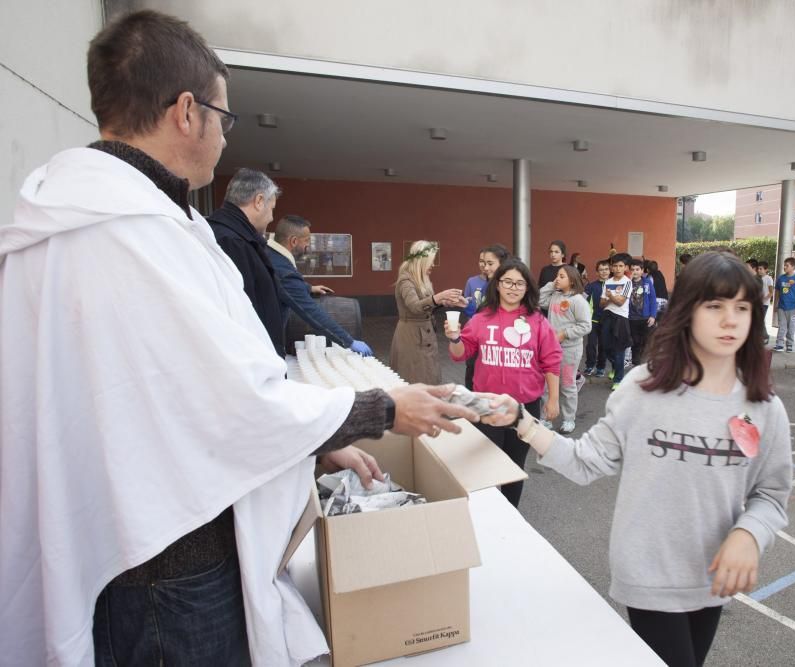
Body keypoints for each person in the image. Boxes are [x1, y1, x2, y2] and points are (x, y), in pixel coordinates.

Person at [0, 11, 496, 665]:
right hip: (171, 578)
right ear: (186, 111)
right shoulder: (138, 237)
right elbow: (231, 403)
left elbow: (157, 417)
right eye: (223, 117)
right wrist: (384, 409)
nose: (224, 135)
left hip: (118, 553)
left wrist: (308, 452)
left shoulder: (66, 226)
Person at [504, 251, 792, 667]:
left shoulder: (763, 406)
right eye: (715, 306)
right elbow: (587, 462)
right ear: (687, 312)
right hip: (648, 573)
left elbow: (772, 493)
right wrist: (524, 423)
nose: (731, 319)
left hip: (712, 577)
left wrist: (749, 535)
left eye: (742, 307)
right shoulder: (643, 388)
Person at [444, 258, 562, 507]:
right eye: (507, 281)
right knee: (483, 465)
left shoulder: (537, 321)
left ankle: (510, 515)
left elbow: (551, 361)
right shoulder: (481, 318)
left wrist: (553, 399)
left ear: (527, 288)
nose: (513, 287)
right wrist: (455, 338)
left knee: (514, 466)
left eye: (520, 283)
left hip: (524, 407)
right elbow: (460, 354)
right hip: (486, 405)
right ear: (497, 285)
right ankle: (486, 514)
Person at [267, 214, 374, 356]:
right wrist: (349, 342)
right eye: (307, 241)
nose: (308, 246)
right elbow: (311, 312)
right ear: (293, 241)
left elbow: (283, 285)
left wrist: (307, 288)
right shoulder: (283, 269)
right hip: (267, 341)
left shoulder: (269, 254)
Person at [207, 168, 285, 357]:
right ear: (259, 201)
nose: (272, 217)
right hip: (252, 358)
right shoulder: (232, 242)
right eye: (272, 208)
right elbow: (243, 311)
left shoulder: (235, 236)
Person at [390, 240, 466, 383]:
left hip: (425, 335)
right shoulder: (406, 281)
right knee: (413, 379)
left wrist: (445, 302)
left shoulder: (423, 278)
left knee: (429, 375)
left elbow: (428, 305)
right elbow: (415, 306)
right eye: (430, 261)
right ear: (421, 261)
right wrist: (438, 297)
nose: (433, 265)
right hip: (411, 337)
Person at [539, 265, 592, 433]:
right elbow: (539, 300)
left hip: (570, 350)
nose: (557, 279)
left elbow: (586, 326)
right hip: (549, 350)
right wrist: (550, 285)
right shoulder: (554, 296)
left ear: (572, 280)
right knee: (546, 385)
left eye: (561, 276)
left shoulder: (578, 301)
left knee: (567, 385)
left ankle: (569, 419)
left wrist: (564, 334)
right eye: (557, 276)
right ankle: (545, 417)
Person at [461, 244, 509, 389]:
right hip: (483, 340)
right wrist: (465, 305)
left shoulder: (507, 287)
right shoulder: (486, 285)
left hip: (499, 343)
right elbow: (478, 313)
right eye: (483, 263)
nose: (485, 268)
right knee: (473, 374)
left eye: (490, 263)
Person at [600, 252, 633, 390]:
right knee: (606, 347)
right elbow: (601, 303)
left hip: (621, 318)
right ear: (612, 267)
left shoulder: (627, 282)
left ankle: (618, 379)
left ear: (625, 267)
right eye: (615, 266)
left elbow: (620, 303)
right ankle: (615, 367)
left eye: (621, 266)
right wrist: (610, 298)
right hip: (607, 316)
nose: (618, 268)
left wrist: (610, 297)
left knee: (619, 350)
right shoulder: (607, 282)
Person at [627, 257, 658, 367]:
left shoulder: (647, 282)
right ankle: (635, 362)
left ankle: (644, 361)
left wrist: (653, 316)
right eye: (632, 269)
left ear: (642, 270)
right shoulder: (627, 283)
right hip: (632, 318)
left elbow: (653, 300)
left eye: (637, 269)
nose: (634, 272)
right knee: (635, 341)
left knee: (646, 341)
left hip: (645, 317)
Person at [583, 259, 611, 377]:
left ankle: (601, 367)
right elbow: (582, 300)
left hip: (608, 320)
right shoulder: (591, 286)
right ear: (597, 272)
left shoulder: (614, 285)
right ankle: (590, 366)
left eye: (606, 269)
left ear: (610, 271)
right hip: (593, 320)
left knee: (604, 345)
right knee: (591, 345)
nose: (604, 272)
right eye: (601, 270)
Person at [774, 256, 795, 352]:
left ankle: (789, 345)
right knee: (782, 326)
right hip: (782, 307)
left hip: (793, 308)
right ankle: (779, 344)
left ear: (793, 267)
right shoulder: (781, 278)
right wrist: (776, 304)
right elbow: (777, 292)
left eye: (787, 265)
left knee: (791, 327)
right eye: (784, 265)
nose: (784, 267)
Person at [538, 239, 567, 308]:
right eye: (551, 252)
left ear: (563, 254)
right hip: (545, 308)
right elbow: (540, 289)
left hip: (562, 308)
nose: (553, 254)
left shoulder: (568, 270)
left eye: (556, 252)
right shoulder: (545, 270)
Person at [757, 260, 774, 346]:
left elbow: (771, 292)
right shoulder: (758, 278)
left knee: (760, 321)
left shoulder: (768, 278)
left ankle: (765, 336)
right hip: (758, 303)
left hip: (764, 304)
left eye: (761, 269)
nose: (759, 270)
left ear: (766, 269)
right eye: (758, 269)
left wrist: (765, 299)